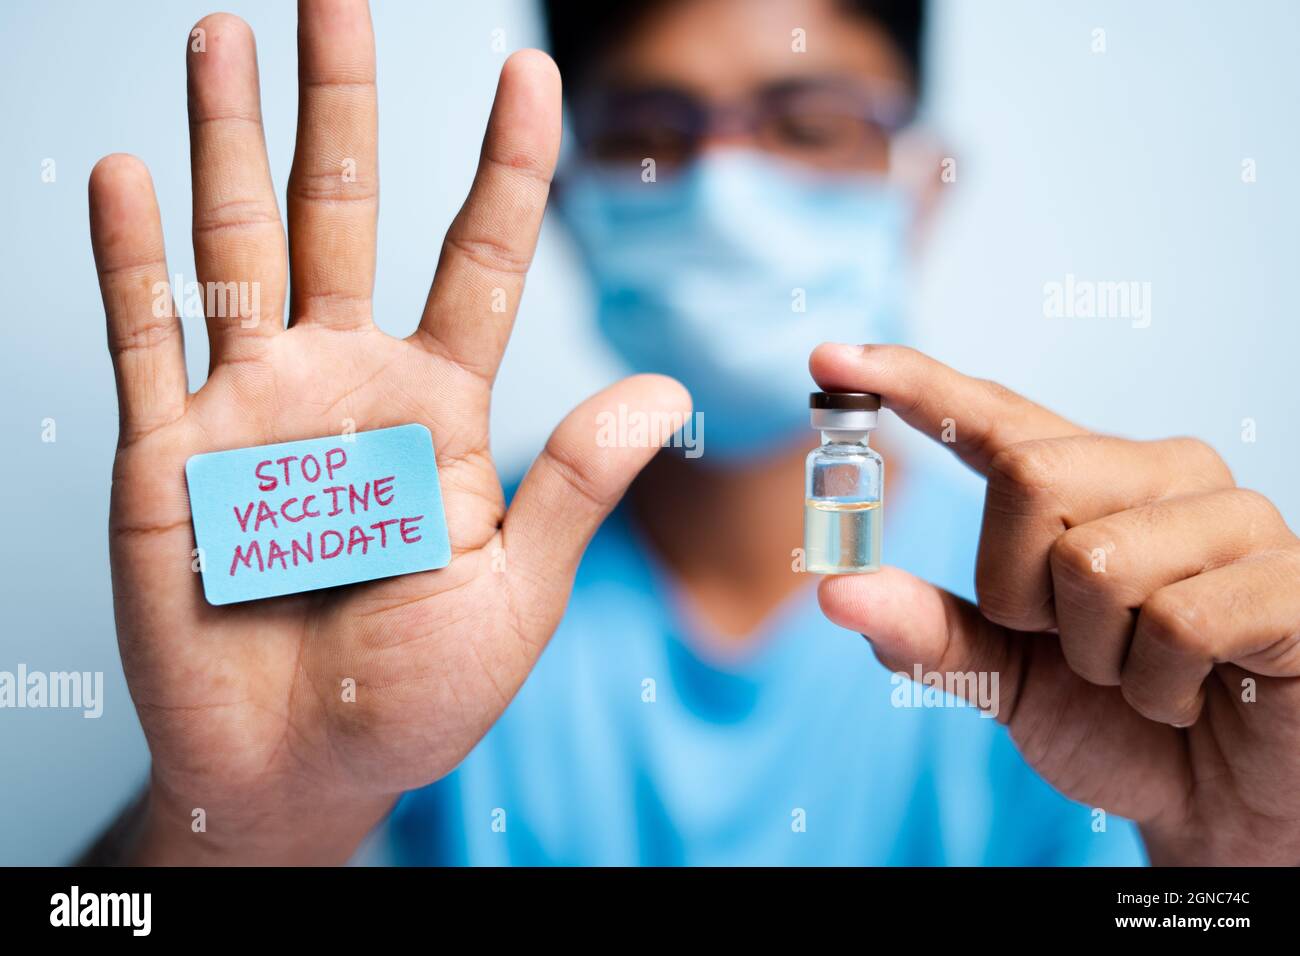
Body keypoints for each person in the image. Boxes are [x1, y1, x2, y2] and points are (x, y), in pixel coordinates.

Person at [83, 0, 1300, 866]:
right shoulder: (410, 591)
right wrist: (233, 839)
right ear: (567, 207)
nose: (722, 188)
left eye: (808, 121)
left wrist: (1243, 871)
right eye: (651, 139)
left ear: (918, 184)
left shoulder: (1087, 634)